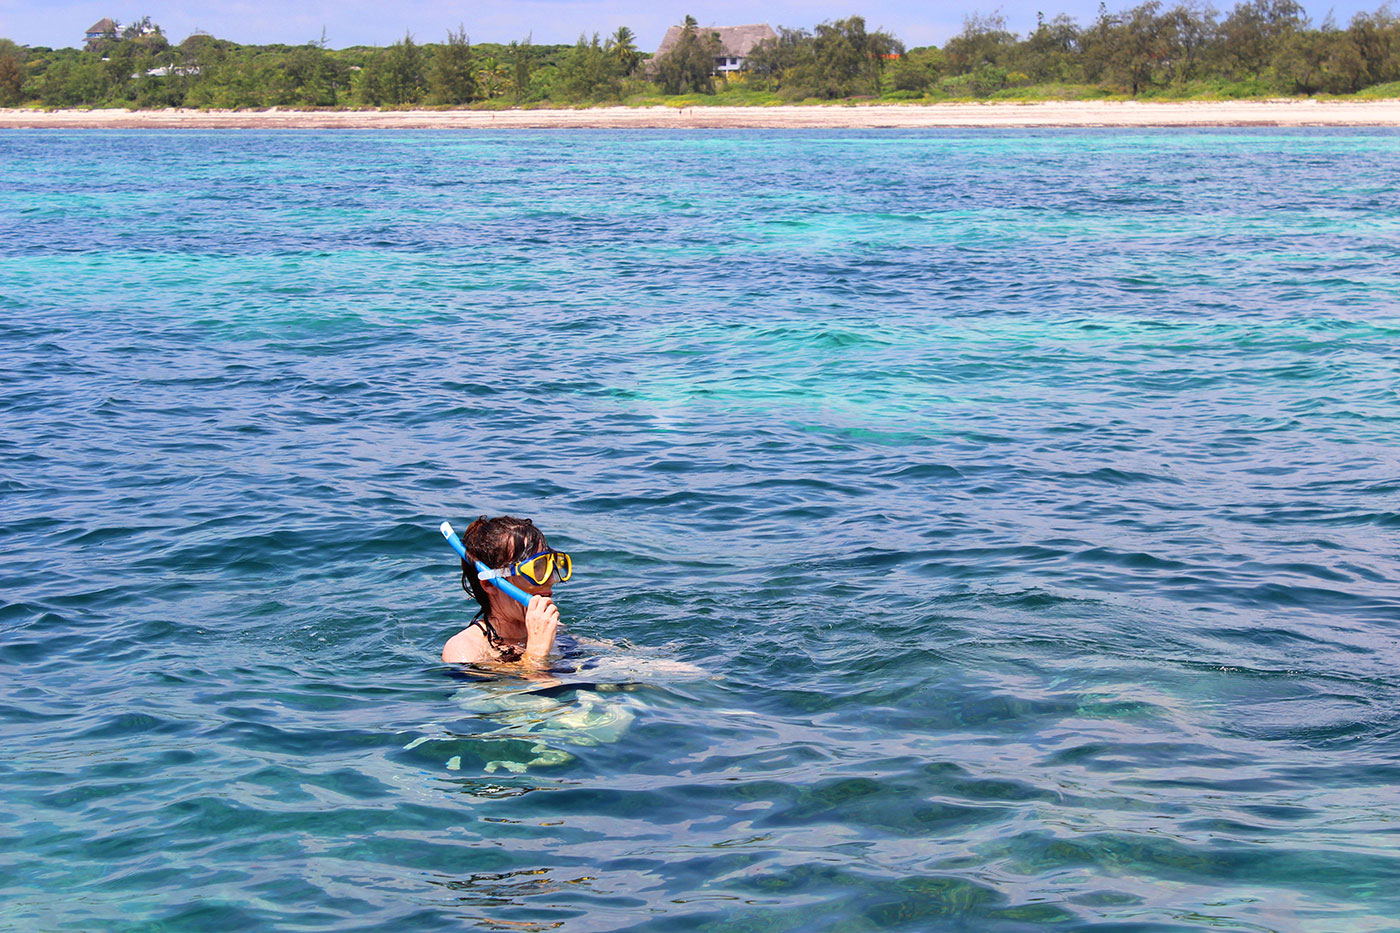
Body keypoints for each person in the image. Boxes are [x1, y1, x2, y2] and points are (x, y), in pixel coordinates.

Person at [442, 515, 570, 666]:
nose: (551, 580)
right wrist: (537, 653)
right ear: (490, 584)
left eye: (550, 565)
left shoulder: (551, 629)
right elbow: (537, 688)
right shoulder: (465, 650)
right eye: (536, 568)